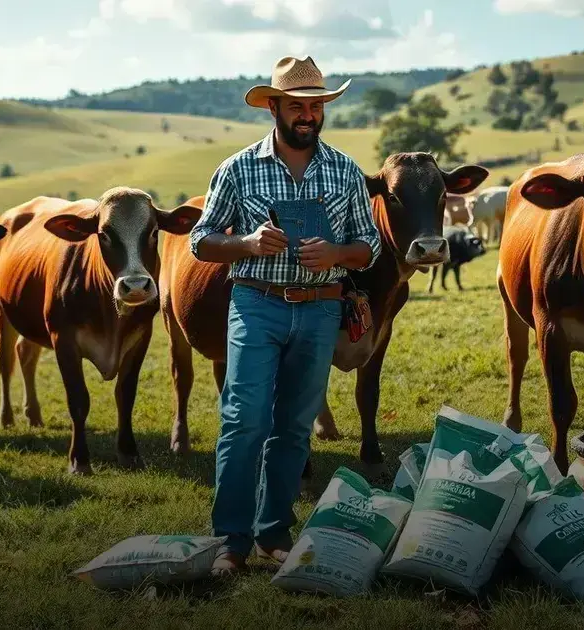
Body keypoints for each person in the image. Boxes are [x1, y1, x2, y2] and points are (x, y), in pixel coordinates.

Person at [189, 55, 382, 575]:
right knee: (243, 422)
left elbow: (371, 245)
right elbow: (200, 241)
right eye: (296, 106)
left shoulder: (344, 169)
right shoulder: (236, 169)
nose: (307, 116)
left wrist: (339, 255)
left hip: (320, 312)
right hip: (256, 304)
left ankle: (273, 532)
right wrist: (246, 243)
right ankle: (230, 540)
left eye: (315, 106)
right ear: (273, 107)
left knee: (295, 428)